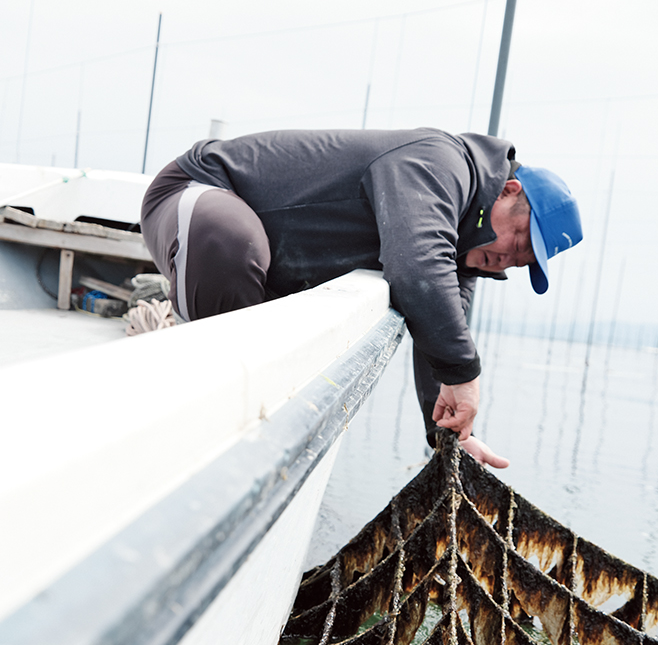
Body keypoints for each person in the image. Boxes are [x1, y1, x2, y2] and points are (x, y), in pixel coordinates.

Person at [140, 128, 582, 468]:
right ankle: (203, 425)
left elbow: (441, 322)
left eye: (521, 263)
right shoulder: (437, 162)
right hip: (196, 191)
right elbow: (417, 268)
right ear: (508, 192)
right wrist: (466, 373)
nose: (507, 258)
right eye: (519, 240)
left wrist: (450, 435)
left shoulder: (462, 249)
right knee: (230, 239)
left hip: (265, 261)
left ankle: (235, 428)